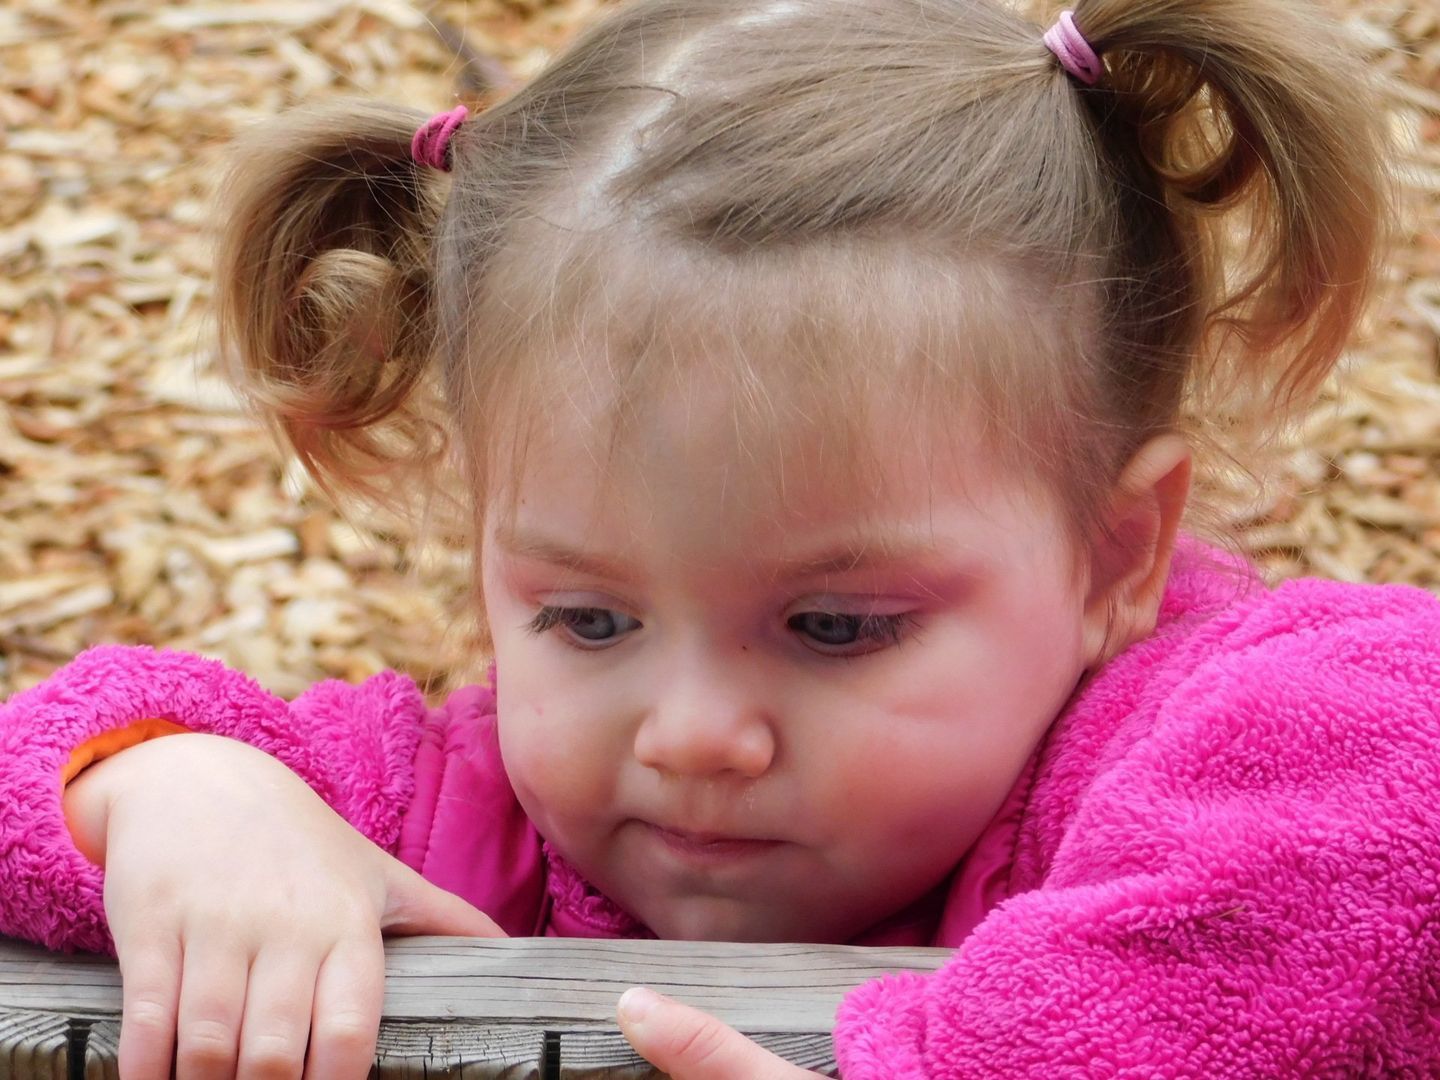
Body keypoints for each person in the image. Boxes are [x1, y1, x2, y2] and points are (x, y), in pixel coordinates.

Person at [3, 0, 1438, 1075]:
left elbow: (1398, 731)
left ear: (1117, 558)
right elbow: (46, 766)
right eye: (587, 619)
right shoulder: (457, 820)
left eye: (834, 627)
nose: (691, 737)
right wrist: (180, 801)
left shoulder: (1158, 759)